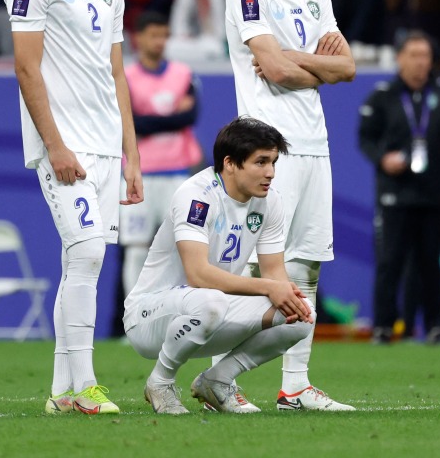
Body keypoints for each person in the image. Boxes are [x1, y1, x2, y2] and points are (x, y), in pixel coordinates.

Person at [4, 0, 143, 416]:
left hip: (107, 145)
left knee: (83, 263)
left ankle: (64, 392)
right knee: (86, 252)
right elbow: (25, 66)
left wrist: (132, 155)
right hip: (64, 147)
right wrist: (54, 144)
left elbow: (117, 73)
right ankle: (84, 386)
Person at [224, 0, 356, 411]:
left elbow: (346, 68)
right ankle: (220, 376)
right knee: (258, 272)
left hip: (315, 146)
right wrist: (312, 66)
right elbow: (272, 70)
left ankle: (295, 386)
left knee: (307, 269)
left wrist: (295, 59)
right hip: (266, 149)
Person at [125, 117, 315, 414]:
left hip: (211, 312)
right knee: (211, 301)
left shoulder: (269, 202)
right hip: (150, 317)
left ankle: (217, 380)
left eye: (274, 162)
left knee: (302, 315)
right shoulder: (196, 196)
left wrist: (284, 293)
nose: (270, 173)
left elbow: (275, 274)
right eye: (261, 162)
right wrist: (269, 287)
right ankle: (160, 382)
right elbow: (198, 274)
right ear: (230, 163)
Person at [358, 32, 440, 343]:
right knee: (390, 260)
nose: (420, 62)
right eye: (414, 55)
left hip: (435, 193)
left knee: (431, 262)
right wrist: (382, 158)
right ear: (399, 58)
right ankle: (384, 325)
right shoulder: (382, 96)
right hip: (395, 192)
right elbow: (365, 137)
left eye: (425, 55)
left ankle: (435, 324)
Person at [120, 12, 203, 298]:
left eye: (163, 35)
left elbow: (189, 116)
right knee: (136, 247)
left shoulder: (182, 73)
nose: (159, 42)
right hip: (138, 172)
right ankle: (134, 315)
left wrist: (146, 120)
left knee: (184, 244)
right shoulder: (125, 76)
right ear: (138, 38)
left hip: (178, 172)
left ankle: (179, 309)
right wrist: (169, 117)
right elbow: (125, 122)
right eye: (153, 35)